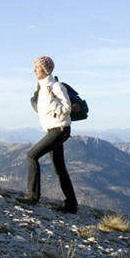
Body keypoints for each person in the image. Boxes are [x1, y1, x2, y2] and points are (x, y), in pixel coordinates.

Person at [17, 56, 78, 213]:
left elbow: (67, 108)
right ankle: (71, 205)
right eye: (35, 67)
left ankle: (32, 197)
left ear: (45, 70)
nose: (34, 70)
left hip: (59, 129)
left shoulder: (55, 86)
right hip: (54, 129)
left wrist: (53, 104)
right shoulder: (43, 88)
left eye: (37, 67)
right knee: (59, 168)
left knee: (32, 156)